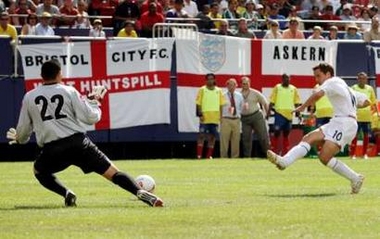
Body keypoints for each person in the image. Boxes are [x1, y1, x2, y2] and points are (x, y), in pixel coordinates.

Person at [6, 60, 163, 207]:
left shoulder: (29, 96)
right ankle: (139, 191)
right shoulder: (69, 90)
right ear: (59, 73)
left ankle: (66, 193)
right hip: (78, 143)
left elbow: (24, 130)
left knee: (38, 170)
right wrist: (95, 103)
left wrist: (20, 138)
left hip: (53, 148)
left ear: (41, 76)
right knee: (113, 173)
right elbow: (90, 118)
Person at [267, 62, 368, 194]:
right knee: (310, 138)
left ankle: (355, 178)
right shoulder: (345, 86)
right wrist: (351, 107)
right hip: (339, 120)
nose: (317, 80)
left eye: (318, 76)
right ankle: (284, 161)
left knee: (324, 156)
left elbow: (318, 95)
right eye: (315, 76)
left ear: (328, 74)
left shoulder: (332, 81)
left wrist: (302, 107)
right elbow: (366, 101)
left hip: (345, 123)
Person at [268, 74, 301, 155]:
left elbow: (296, 102)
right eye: (285, 78)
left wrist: (298, 113)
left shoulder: (294, 89)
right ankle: (274, 150)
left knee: (286, 133)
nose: (287, 80)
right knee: (277, 131)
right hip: (279, 113)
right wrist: (268, 111)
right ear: (282, 79)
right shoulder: (277, 88)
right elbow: (272, 101)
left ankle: (285, 152)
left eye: (289, 78)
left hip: (289, 115)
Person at [195, 73, 226, 159]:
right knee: (201, 136)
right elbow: (198, 103)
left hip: (215, 118)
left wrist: (221, 116)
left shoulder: (219, 90)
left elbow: (221, 104)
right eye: (208, 79)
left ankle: (208, 156)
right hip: (205, 117)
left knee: (212, 137)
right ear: (206, 80)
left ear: (214, 80)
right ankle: (199, 155)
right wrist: (200, 114)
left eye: (212, 79)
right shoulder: (202, 89)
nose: (210, 80)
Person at [240, 76, 270, 158]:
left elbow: (265, 102)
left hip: (256, 116)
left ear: (249, 83)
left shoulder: (255, 92)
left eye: (247, 83)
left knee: (263, 136)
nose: (245, 85)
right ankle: (247, 157)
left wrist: (267, 113)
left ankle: (268, 155)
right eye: (243, 84)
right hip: (245, 118)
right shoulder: (238, 94)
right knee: (246, 138)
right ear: (241, 84)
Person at [350, 72, 377, 159]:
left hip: (367, 117)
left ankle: (364, 154)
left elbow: (373, 102)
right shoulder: (353, 88)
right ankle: (352, 154)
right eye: (360, 78)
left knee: (366, 136)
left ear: (366, 79)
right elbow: (350, 101)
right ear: (357, 79)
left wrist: (376, 112)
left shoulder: (370, 89)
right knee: (354, 135)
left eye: (364, 78)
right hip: (356, 116)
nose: (362, 80)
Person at [220, 78, 244, 158]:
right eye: (229, 84)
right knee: (224, 140)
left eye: (233, 85)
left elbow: (241, 107)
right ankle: (223, 157)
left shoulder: (240, 96)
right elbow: (219, 107)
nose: (231, 86)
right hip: (226, 119)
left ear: (236, 86)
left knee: (236, 140)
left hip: (236, 120)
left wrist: (239, 116)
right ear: (226, 86)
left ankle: (235, 157)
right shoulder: (222, 96)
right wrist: (221, 119)